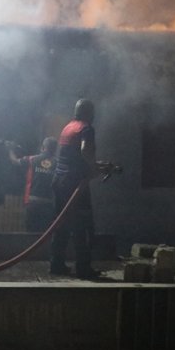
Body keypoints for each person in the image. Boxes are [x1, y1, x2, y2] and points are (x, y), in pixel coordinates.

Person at [51, 98, 104, 279]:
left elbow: (71, 155)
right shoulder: (86, 128)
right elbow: (85, 151)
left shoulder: (68, 127)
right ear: (89, 113)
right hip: (74, 185)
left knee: (61, 225)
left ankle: (56, 264)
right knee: (83, 226)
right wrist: (94, 168)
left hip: (59, 182)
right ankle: (83, 268)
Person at [7, 137, 58, 233]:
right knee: (45, 234)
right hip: (48, 203)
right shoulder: (57, 163)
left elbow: (14, 161)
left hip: (32, 202)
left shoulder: (32, 159)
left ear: (42, 147)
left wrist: (10, 149)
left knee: (30, 233)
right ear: (55, 149)